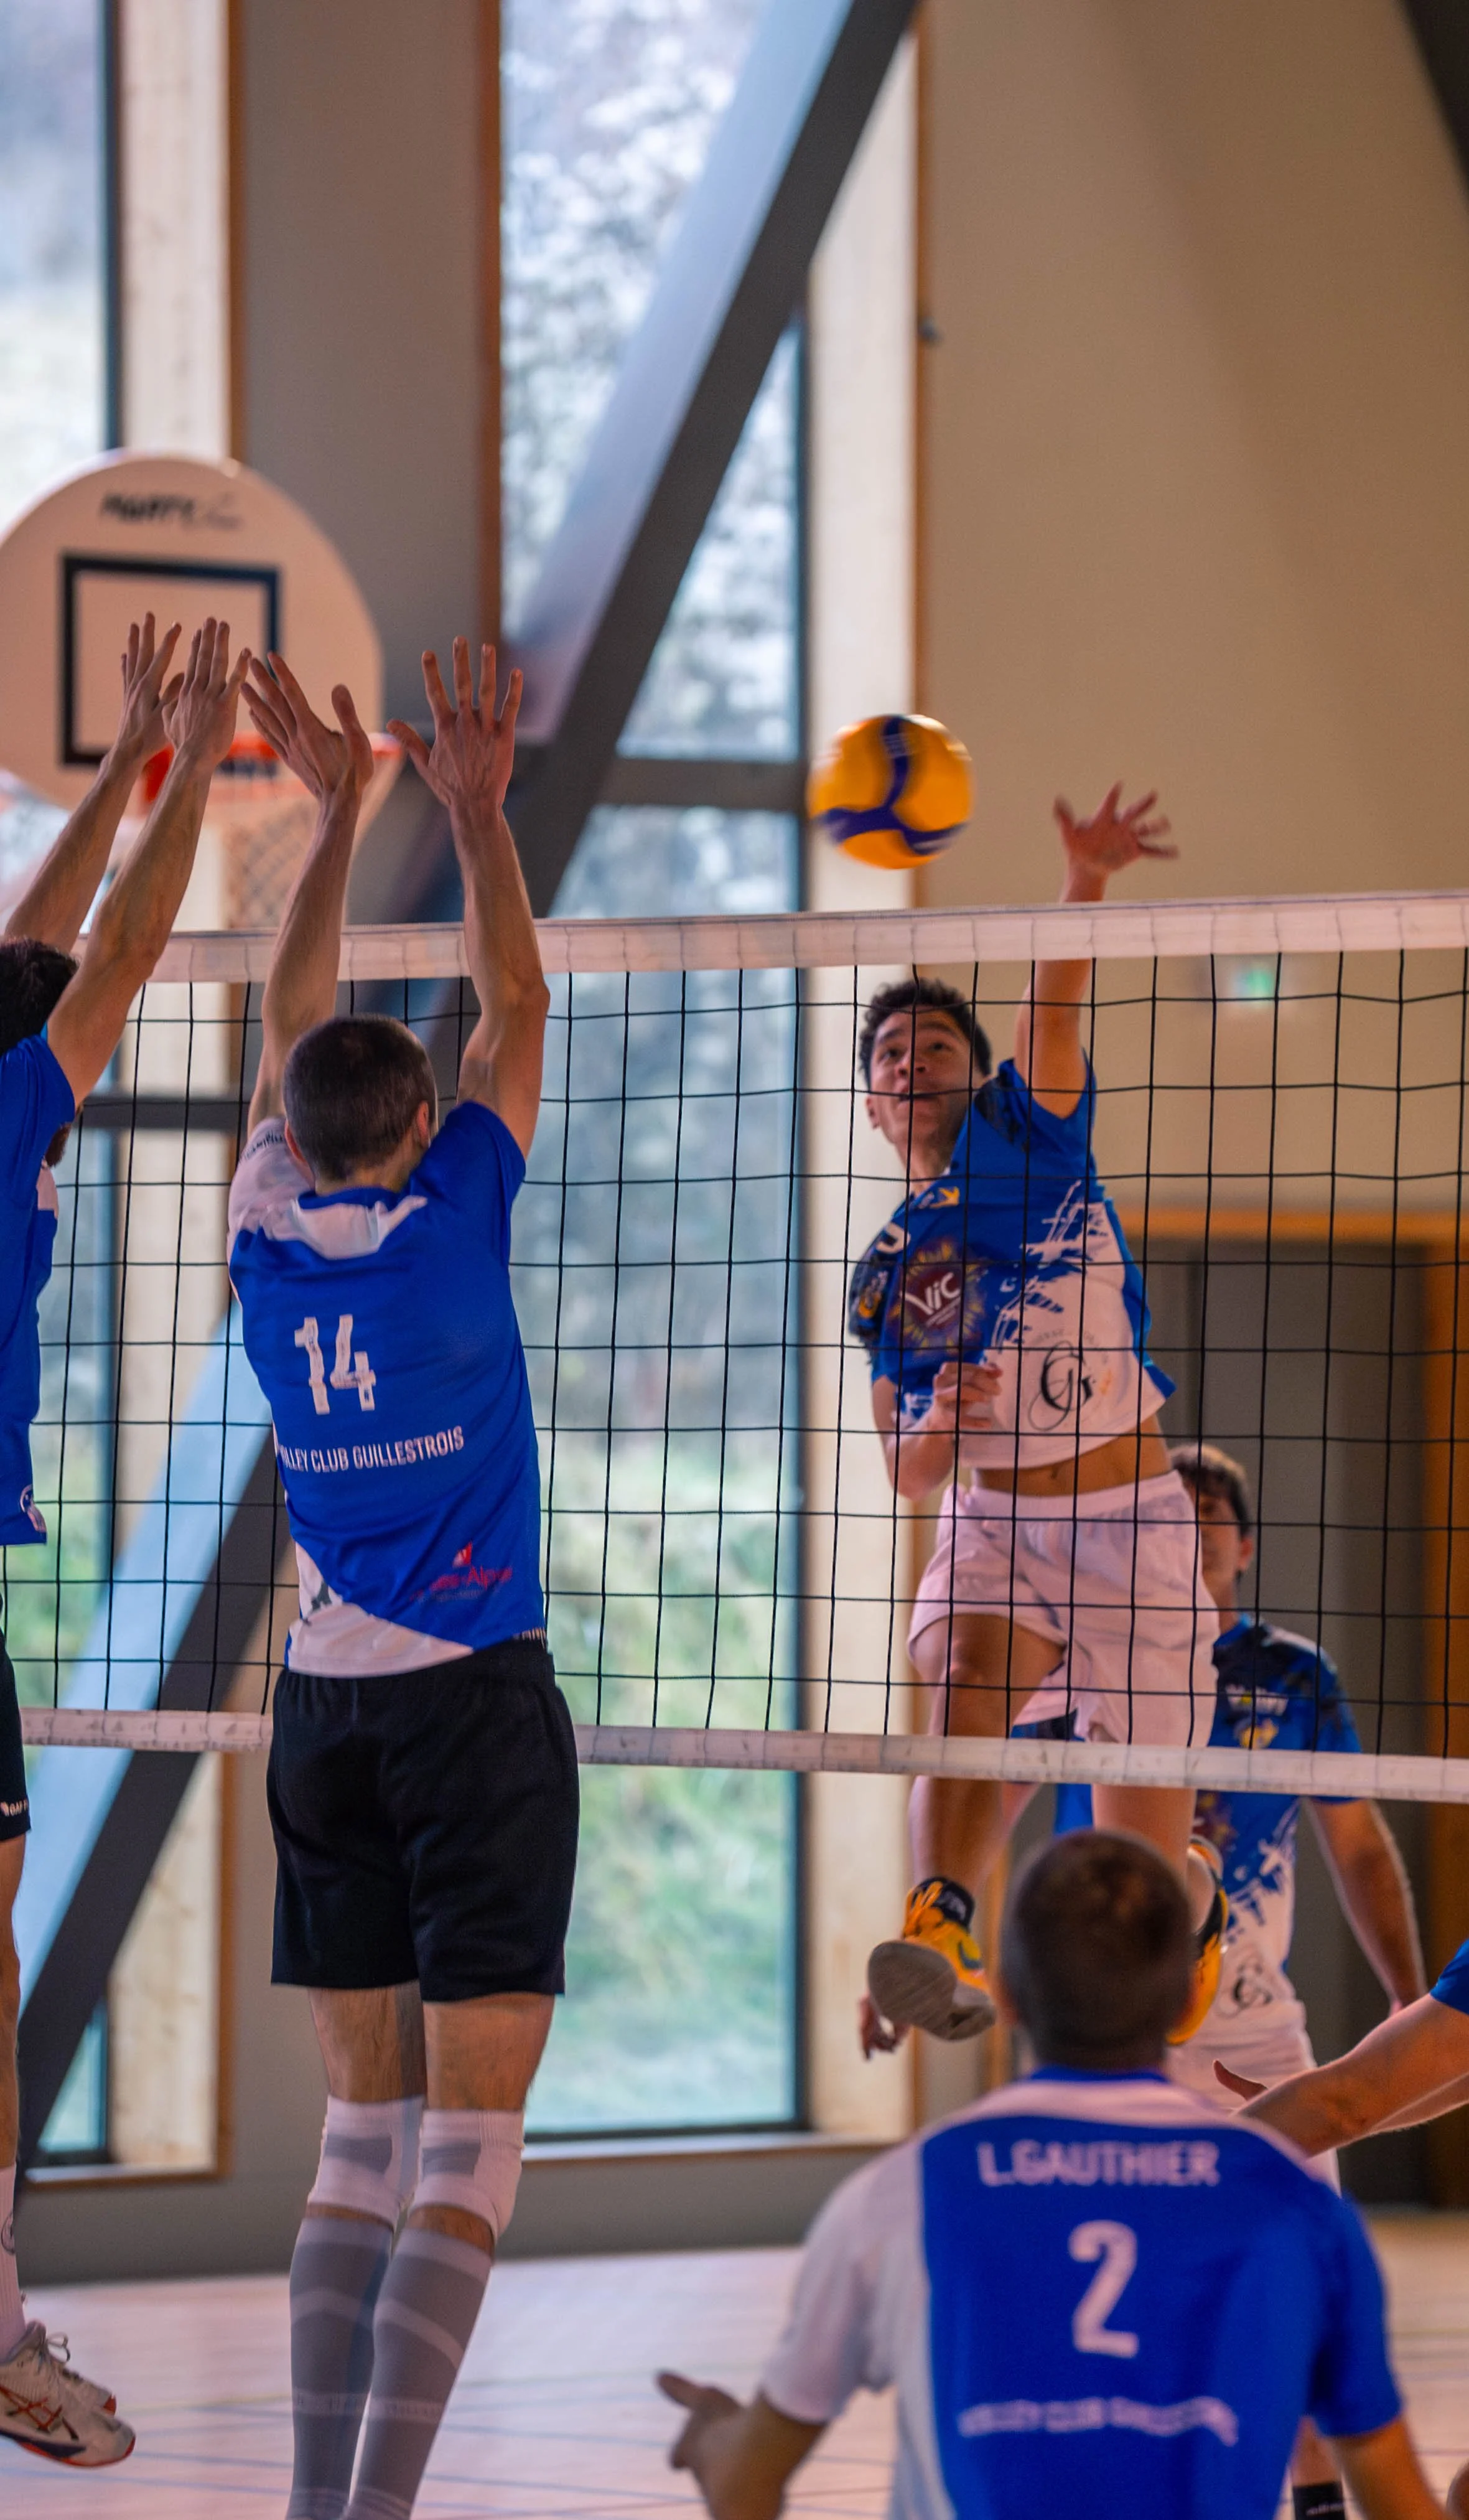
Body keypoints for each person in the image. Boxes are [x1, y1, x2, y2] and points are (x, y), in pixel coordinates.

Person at [228, 638, 571, 2520]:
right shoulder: (456, 1221)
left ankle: (308, 2508)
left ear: (293, 1133)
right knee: (471, 2139)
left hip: (325, 1712)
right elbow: (514, 989)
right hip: (470, 1707)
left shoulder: (269, 1229)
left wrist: (340, 816)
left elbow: (297, 1014)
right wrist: (472, 809)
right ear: (427, 1128)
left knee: (363, 2127)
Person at [660, 1830, 1441, 2520]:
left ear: (1010, 1996)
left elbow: (748, 2490)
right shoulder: (1300, 2211)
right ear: (1183, 1996)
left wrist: (714, 2442)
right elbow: (1399, 2501)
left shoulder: (898, 2193)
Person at [851, 785, 1220, 2056]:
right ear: (870, 1103)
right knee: (958, 1674)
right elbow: (904, 1470)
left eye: (933, 1046)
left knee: (1138, 1876)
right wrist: (942, 1424)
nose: (913, 1064)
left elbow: (1050, 1006)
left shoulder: (1032, 1141)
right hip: (992, 1516)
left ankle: (1197, 1898)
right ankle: (943, 1917)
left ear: (975, 1073)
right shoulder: (888, 1271)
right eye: (890, 1055)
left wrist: (1080, 884)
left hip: (1132, 1528)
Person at [0, 615, 249, 2466]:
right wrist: (203, 755)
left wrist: (134, 764)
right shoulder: (6, 1097)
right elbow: (120, 949)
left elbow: (39, 931)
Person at [1047, 1440, 1426, 2520]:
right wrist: (941, 1925)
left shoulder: (1295, 1675)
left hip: (1258, 2025)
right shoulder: (1090, 1651)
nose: (1186, 1525)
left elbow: (1358, 1846)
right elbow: (977, 1767)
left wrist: (1407, 2000)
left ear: (1242, 1545)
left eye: (1206, 1514)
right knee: (1124, 2281)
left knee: (1295, 2278)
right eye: (1165, 1511)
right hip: (1122, 2022)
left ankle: (1314, 2502)